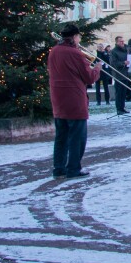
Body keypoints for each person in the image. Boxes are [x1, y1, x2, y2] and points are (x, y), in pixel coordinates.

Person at [47, 24, 101, 179]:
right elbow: (89, 77)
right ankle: (73, 169)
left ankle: (59, 168)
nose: (80, 40)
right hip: (75, 100)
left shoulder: (54, 51)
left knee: (61, 137)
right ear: (74, 37)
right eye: (79, 37)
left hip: (58, 99)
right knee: (77, 138)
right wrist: (97, 68)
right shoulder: (76, 53)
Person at [108, 36, 131, 115]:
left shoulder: (125, 50)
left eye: (123, 41)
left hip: (126, 73)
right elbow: (113, 63)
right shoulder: (114, 51)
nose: (122, 42)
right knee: (119, 92)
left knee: (124, 92)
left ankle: (122, 107)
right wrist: (123, 63)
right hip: (118, 74)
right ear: (117, 42)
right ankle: (119, 109)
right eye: (120, 41)